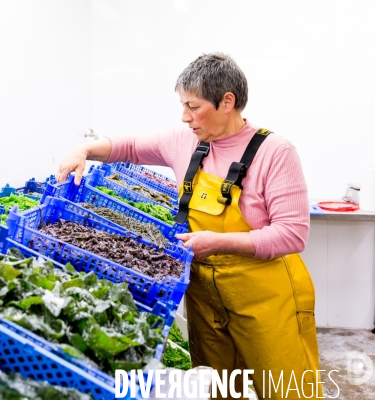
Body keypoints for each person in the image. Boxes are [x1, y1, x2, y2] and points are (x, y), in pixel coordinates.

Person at [57, 53, 320, 399]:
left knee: (289, 390)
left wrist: (218, 242)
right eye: (183, 105)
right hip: (206, 298)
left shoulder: (276, 152)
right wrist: (85, 149)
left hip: (266, 297)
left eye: (193, 107)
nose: (185, 117)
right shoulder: (185, 141)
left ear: (227, 101)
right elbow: (131, 147)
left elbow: (292, 234)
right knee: (221, 389)